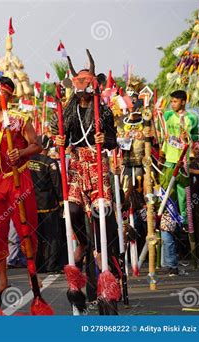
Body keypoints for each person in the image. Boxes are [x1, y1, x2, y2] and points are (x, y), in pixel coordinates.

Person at [52, 50, 119, 269]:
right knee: (71, 211)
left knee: (102, 211)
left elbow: (113, 140)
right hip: (77, 165)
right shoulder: (69, 111)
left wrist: (105, 138)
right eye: (79, 89)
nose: (82, 94)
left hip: (97, 164)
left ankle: (102, 250)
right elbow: (56, 131)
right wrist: (59, 140)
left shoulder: (103, 110)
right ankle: (83, 243)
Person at [0, 76, 41, 293]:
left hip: (18, 178)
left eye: (1, 92)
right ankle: (2, 279)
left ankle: (33, 275)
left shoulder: (20, 119)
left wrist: (21, 152)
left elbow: (37, 146)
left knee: (26, 227)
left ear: (9, 95)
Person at [159, 90, 199, 276]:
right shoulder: (167, 115)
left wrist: (192, 145)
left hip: (184, 164)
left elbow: (196, 139)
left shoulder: (192, 117)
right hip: (169, 162)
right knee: (168, 198)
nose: (173, 104)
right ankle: (171, 220)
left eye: (175, 101)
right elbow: (159, 128)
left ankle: (183, 220)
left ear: (184, 101)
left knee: (184, 198)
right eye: (171, 101)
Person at [29, 135, 63, 273]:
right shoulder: (50, 163)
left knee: (36, 236)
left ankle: (36, 265)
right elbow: (57, 185)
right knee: (52, 236)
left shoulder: (27, 161)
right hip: (48, 205)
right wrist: (62, 201)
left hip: (31, 204)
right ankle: (51, 265)